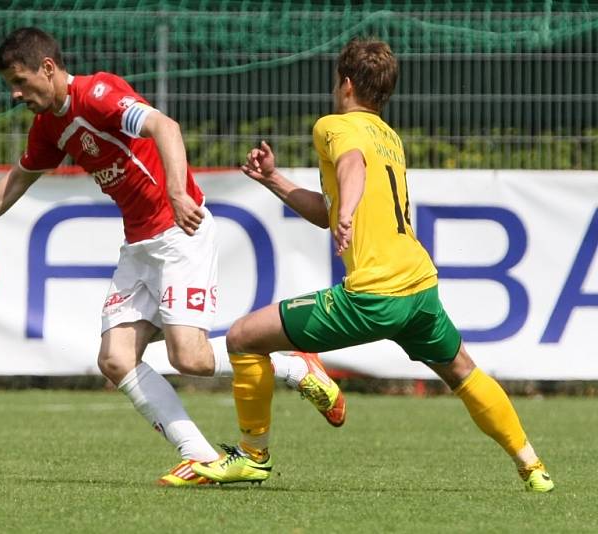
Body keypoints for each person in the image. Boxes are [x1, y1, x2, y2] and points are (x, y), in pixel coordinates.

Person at [0, 27, 323, 486]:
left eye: (20, 82)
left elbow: (165, 126)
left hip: (180, 233)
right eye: (10, 87)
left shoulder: (97, 94)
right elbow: (15, 181)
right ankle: (198, 455)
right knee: (116, 359)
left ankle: (294, 365)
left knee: (190, 359)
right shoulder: (49, 127)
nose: (16, 94)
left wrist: (177, 191)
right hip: (139, 247)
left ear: (48, 68)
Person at [193, 37, 554, 493]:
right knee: (463, 371)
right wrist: (275, 180)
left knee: (245, 337)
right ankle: (532, 467)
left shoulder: (335, 126)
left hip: (374, 294)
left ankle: (252, 456)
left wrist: (347, 212)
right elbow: (329, 209)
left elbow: (351, 166)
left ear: (345, 84)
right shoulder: (390, 136)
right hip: (420, 288)